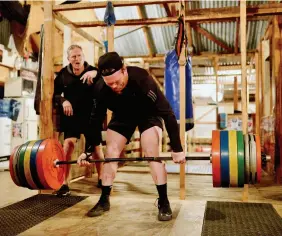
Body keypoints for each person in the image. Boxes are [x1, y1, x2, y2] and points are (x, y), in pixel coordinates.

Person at [78, 52, 185, 221]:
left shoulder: (144, 81)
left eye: (117, 81)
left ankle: (163, 202)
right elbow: (95, 120)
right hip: (122, 116)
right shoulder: (101, 88)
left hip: (148, 114)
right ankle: (104, 199)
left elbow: (168, 113)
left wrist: (177, 148)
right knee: (111, 153)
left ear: (124, 70)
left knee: (151, 152)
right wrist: (89, 150)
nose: (114, 86)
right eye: (109, 83)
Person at [53, 44, 104, 196]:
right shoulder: (63, 74)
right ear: (68, 59)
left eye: (79, 55)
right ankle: (64, 183)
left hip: (91, 117)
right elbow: (55, 94)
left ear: (83, 57)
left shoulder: (93, 71)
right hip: (72, 117)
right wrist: (63, 101)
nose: (77, 59)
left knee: (96, 149)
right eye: (74, 56)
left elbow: (105, 77)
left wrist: (96, 74)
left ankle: (102, 179)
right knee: (67, 146)